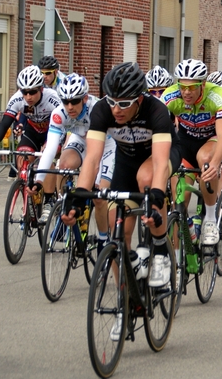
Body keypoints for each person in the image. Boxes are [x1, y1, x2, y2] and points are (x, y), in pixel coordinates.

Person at [63, 62, 181, 291]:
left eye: (124, 103)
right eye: (111, 101)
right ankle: (124, 300)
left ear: (139, 99)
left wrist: (156, 198)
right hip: (126, 161)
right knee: (116, 227)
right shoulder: (102, 111)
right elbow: (92, 159)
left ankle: (160, 250)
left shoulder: (156, 111)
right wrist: (78, 199)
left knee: (146, 178)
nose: (116, 109)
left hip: (160, 156)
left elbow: (158, 162)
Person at [30, 73, 115, 248]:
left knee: (99, 196)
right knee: (64, 165)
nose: (69, 106)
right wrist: (39, 181)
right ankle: (66, 203)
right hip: (80, 139)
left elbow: (95, 156)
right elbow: (51, 148)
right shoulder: (59, 114)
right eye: (65, 101)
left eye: (74, 101)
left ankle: (103, 238)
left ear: (84, 98)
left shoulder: (97, 109)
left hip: (106, 145)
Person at [161, 59, 222, 245]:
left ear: (203, 84)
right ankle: (176, 256)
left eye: (192, 88)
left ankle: (209, 218)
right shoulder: (170, 96)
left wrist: (215, 165)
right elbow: (159, 131)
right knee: (179, 200)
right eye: (182, 87)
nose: (186, 92)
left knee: (206, 159)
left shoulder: (217, 95)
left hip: (211, 139)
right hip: (185, 142)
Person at [0, 66, 63, 212]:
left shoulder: (52, 99)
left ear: (41, 89)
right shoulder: (17, 99)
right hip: (32, 132)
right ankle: (26, 193)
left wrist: (51, 144)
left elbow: (64, 125)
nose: (28, 97)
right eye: (24, 92)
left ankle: (48, 200)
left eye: (32, 92)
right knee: (22, 157)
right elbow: (5, 123)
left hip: (52, 132)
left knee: (48, 156)